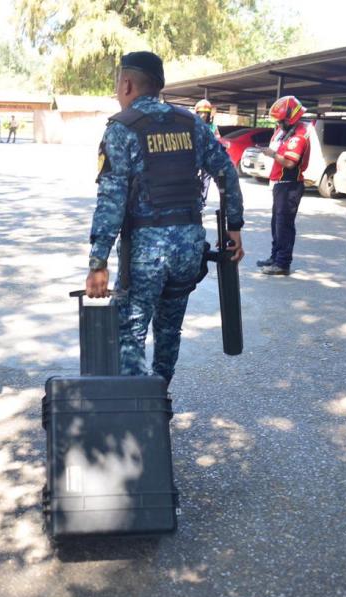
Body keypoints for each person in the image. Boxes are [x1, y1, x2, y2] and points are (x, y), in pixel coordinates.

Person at [85, 51, 245, 384]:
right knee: (170, 329)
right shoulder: (192, 123)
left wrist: (98, 262)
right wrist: (235, 227)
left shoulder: (121, 127)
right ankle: (160, 401)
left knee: (130, 331)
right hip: (188, 248)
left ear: (127, 83)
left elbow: (111, 200)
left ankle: (139, 415)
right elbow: (227, 173)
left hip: (145, 253)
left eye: (118, 84)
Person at [257, 96, 312, 276]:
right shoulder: (286, 132)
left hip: (290, 186)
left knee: (284, 225)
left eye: (281, 120)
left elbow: (289, 163)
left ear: (290, 118)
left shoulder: (299, 136)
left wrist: (272, 154)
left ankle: (282, 263)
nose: (279, 124)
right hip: (281, 185)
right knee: (276, 224)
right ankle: (275, 257)